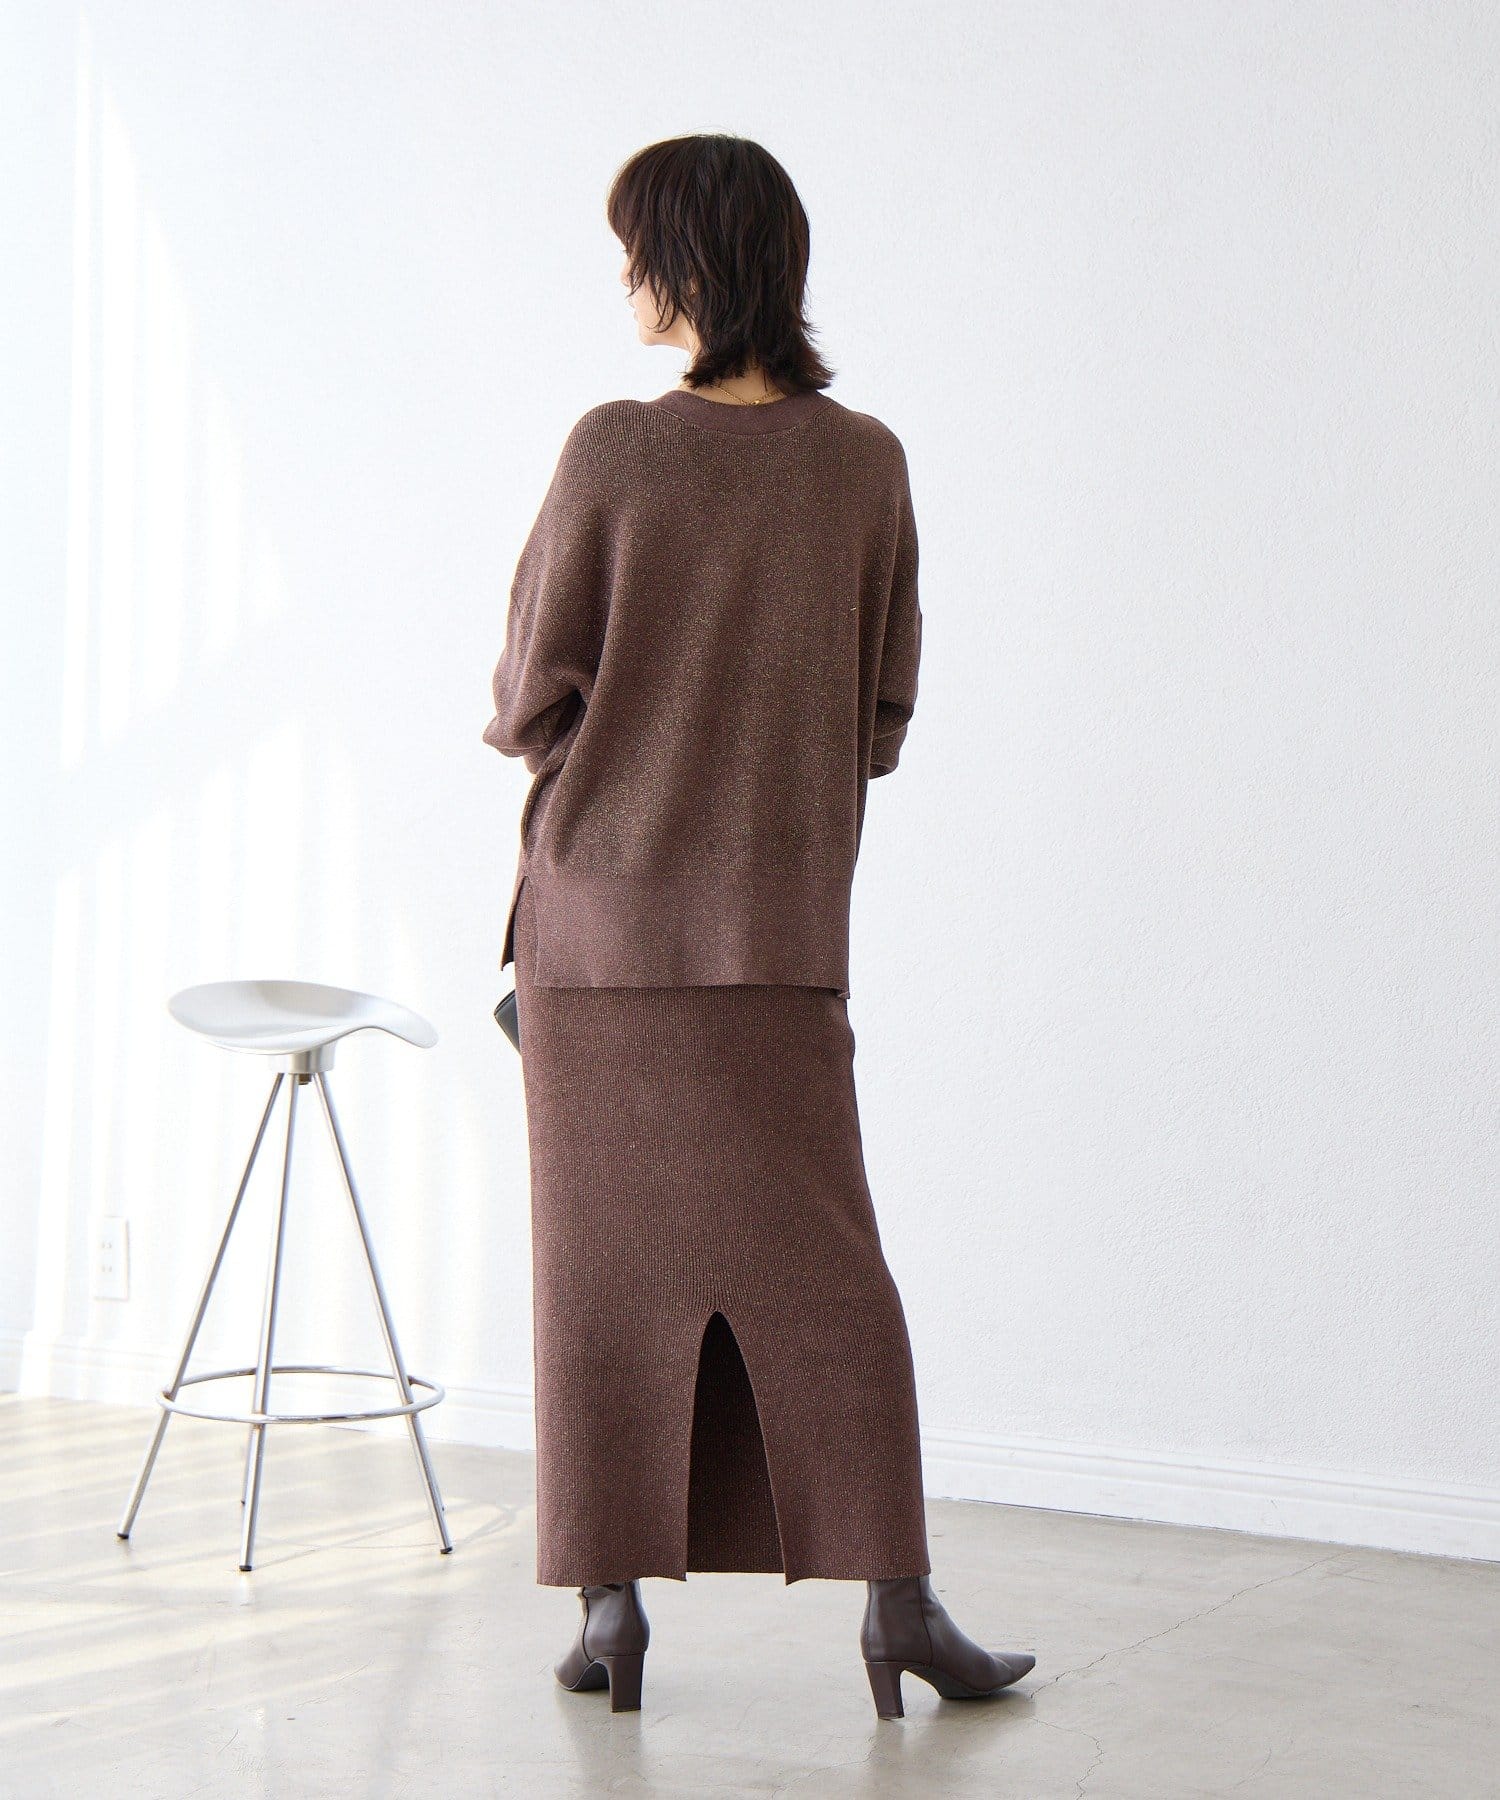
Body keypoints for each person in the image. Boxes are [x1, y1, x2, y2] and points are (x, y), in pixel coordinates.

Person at [482, 132, 1036, 1722]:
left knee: (601, 1278)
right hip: (781, 933)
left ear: (694, 263)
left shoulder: (614, 448)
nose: (627, 283)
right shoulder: (865, 462)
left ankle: (611, 1609)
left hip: (596, 940)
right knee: (825, 1272)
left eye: (638, 252)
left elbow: (529, 699)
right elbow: (884, 713)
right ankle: (898, 1605)